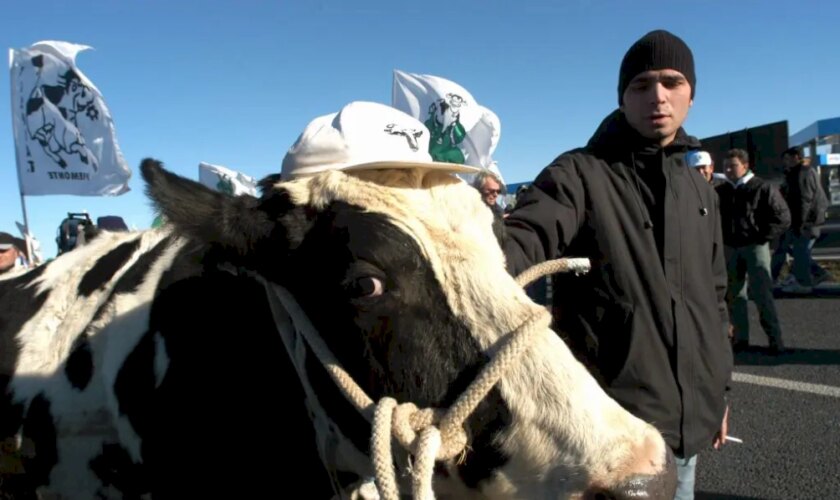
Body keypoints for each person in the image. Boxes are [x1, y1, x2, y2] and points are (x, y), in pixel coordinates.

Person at [502, 30, 732, 500]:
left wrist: (718, 394)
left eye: (672, 81)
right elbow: (518, 242)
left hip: (691, 421)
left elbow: (716, 297)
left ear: (692, 94)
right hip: (612, 426)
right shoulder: (577, 174)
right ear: (622, 98)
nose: (658, 97)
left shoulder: (699, 186)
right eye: (641, 85)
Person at [716, 149, 790, 354]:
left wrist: (762, 237)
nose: (729, 170)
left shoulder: (762, 187)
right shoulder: (722, 191)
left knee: (762, 294)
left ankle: (775, 340)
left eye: (733, 165)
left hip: (755, 247)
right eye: (726, 167)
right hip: (731, 248)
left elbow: (782, 217)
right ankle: (741, 339)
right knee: (734, 296)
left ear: (746, 166)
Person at [771, 147, 831, 293]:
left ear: (797, 157)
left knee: (800, 252)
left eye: (787, 159)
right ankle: (817, 274)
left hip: (806, 222)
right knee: (793, 250)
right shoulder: (795, 173)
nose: (785, 162)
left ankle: (804, 283)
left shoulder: (803, 173)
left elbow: (804, 200)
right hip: (800, 221)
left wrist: (800, 223)